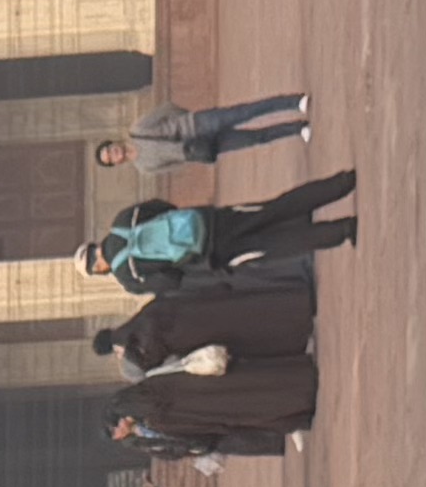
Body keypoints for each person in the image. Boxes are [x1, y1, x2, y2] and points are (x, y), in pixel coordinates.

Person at [91, 171, 360, 284]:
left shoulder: (127, 275)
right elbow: (162, 206)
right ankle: (343, 183)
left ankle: (343, 229)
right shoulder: (122, 219)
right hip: (210, 220)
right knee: (277, 208)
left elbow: (169, 281)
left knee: (277, 246)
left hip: (211, 253)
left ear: (99, 267)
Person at [90, 276, 318, 369]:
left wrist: (129, 354)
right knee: (252, 308)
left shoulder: (134, 344)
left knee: (253, 335)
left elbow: (153, 359)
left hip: (198, 335)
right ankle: (300, 301)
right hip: (202, 309)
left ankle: (298, 334)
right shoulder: (138, 318)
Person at [111, 368, 314, 457]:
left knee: (255, 408)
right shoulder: (152, 399)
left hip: (214, 412)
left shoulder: (155, 417)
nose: (122, 424)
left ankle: (297, 414)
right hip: (214, 397)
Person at [98, 94, 310, 167]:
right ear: (116, 163)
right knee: (254, 138)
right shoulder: (144, 167)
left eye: (110, 149)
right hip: (200, 148)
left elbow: (167, 109)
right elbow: (173, 164)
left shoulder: (137, 129)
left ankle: (294, 102)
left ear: (113, 142)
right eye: (110, 158)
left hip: (198, 124)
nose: (114, 153)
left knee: (246, 112)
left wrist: (187, 119)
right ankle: (297, 129)